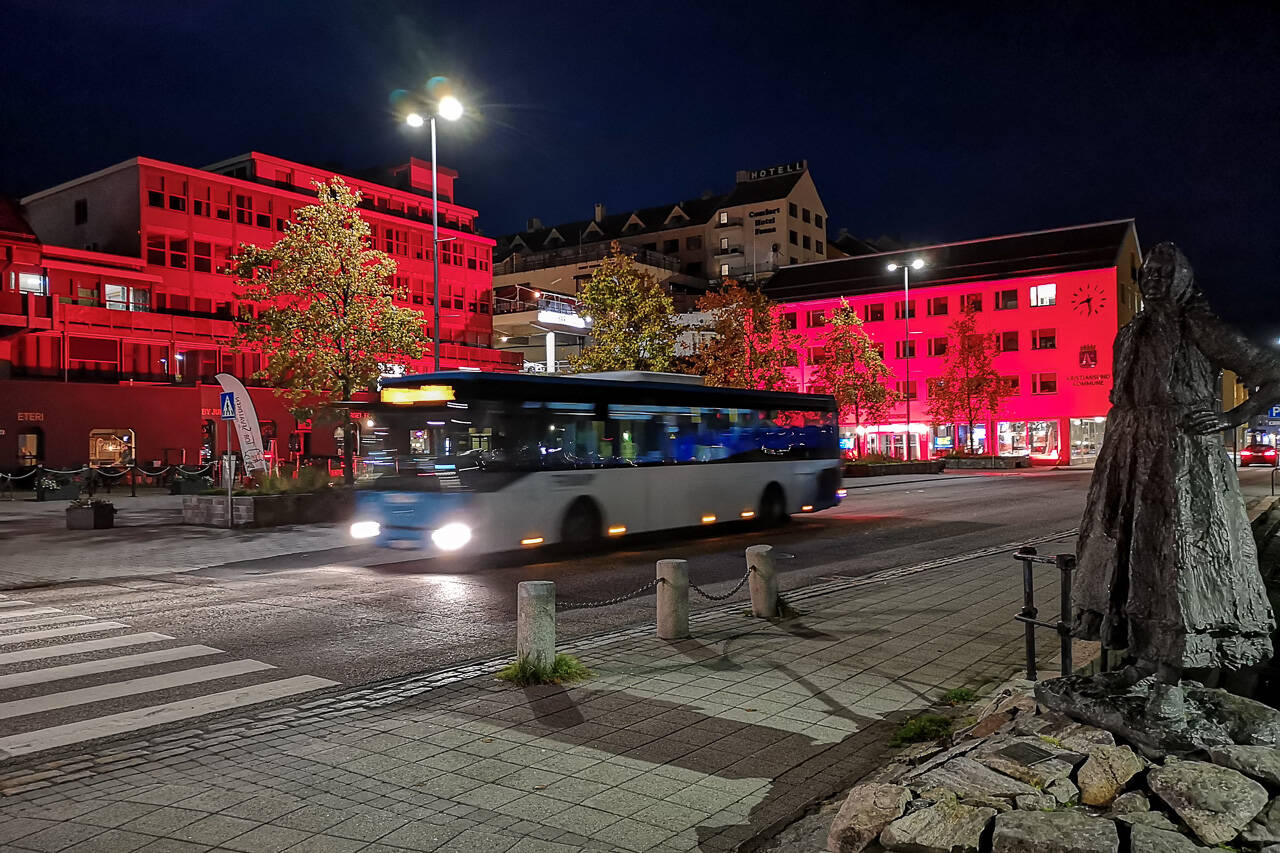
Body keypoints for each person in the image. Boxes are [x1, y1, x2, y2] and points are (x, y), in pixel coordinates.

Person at [1073, 242, 1280, 694]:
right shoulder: (1129, 332)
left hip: (1180, 452)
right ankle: (1143, 659)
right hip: (1128, 449)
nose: (1154, 281)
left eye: (1165, 275)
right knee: (1135, 553)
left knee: (1178, 556)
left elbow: (1273, 371)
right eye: (1149, 274)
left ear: (1183, 280)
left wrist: (1232, 418)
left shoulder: (1197, 325)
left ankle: (1174, 671)